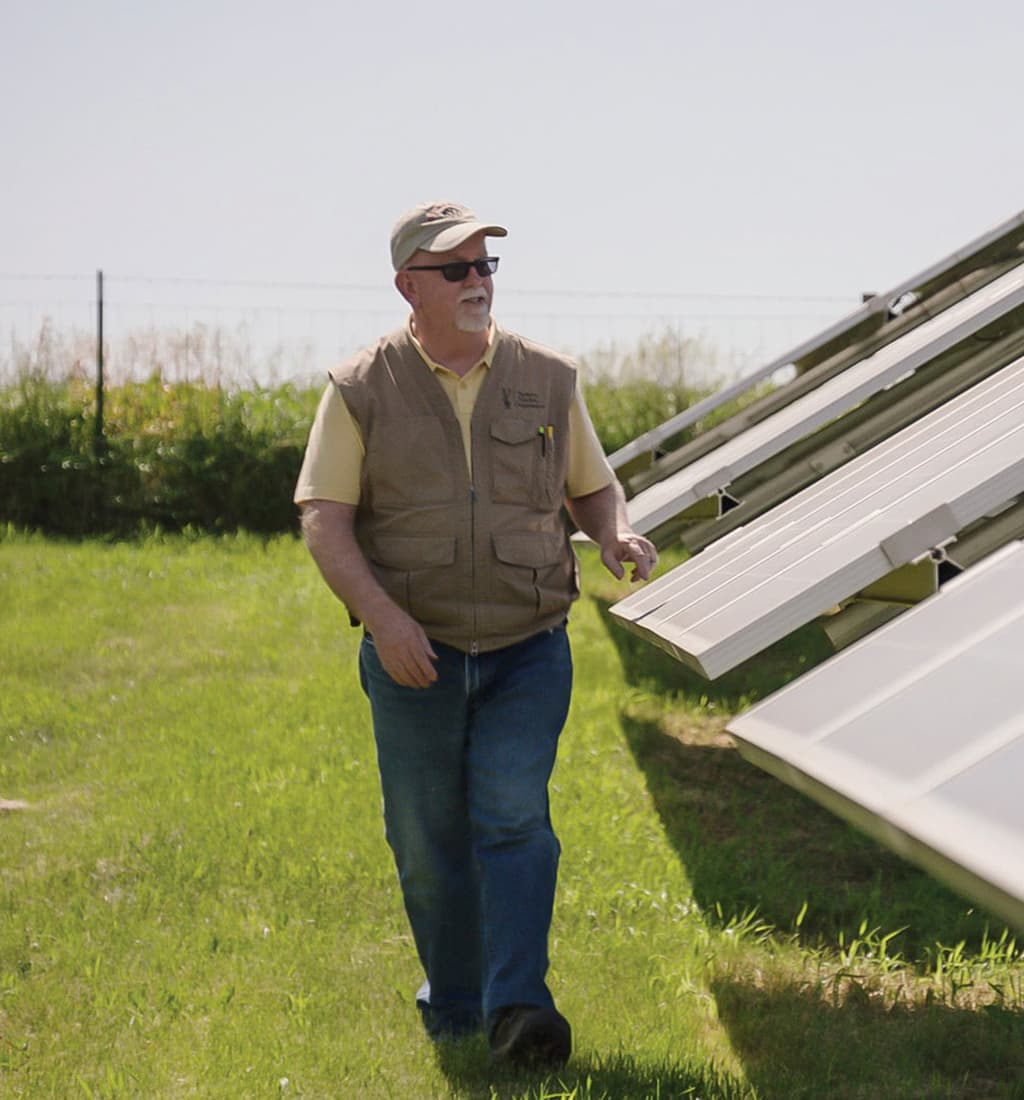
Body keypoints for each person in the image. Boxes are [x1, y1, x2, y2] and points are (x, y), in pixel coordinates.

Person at [294, 200, 657, 1069]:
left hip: (527, 642)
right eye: (455, 270)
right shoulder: (358, 389)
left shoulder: (548, 377)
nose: (477, 283)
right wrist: (384, 621)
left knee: (512, 815)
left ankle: (518, 1007)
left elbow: (590, 486)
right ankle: (455, 1000)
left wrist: (612, 533)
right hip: (413, 652)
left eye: (485, 267)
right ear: (407, 286)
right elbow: (324, 517)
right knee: (425, 838)